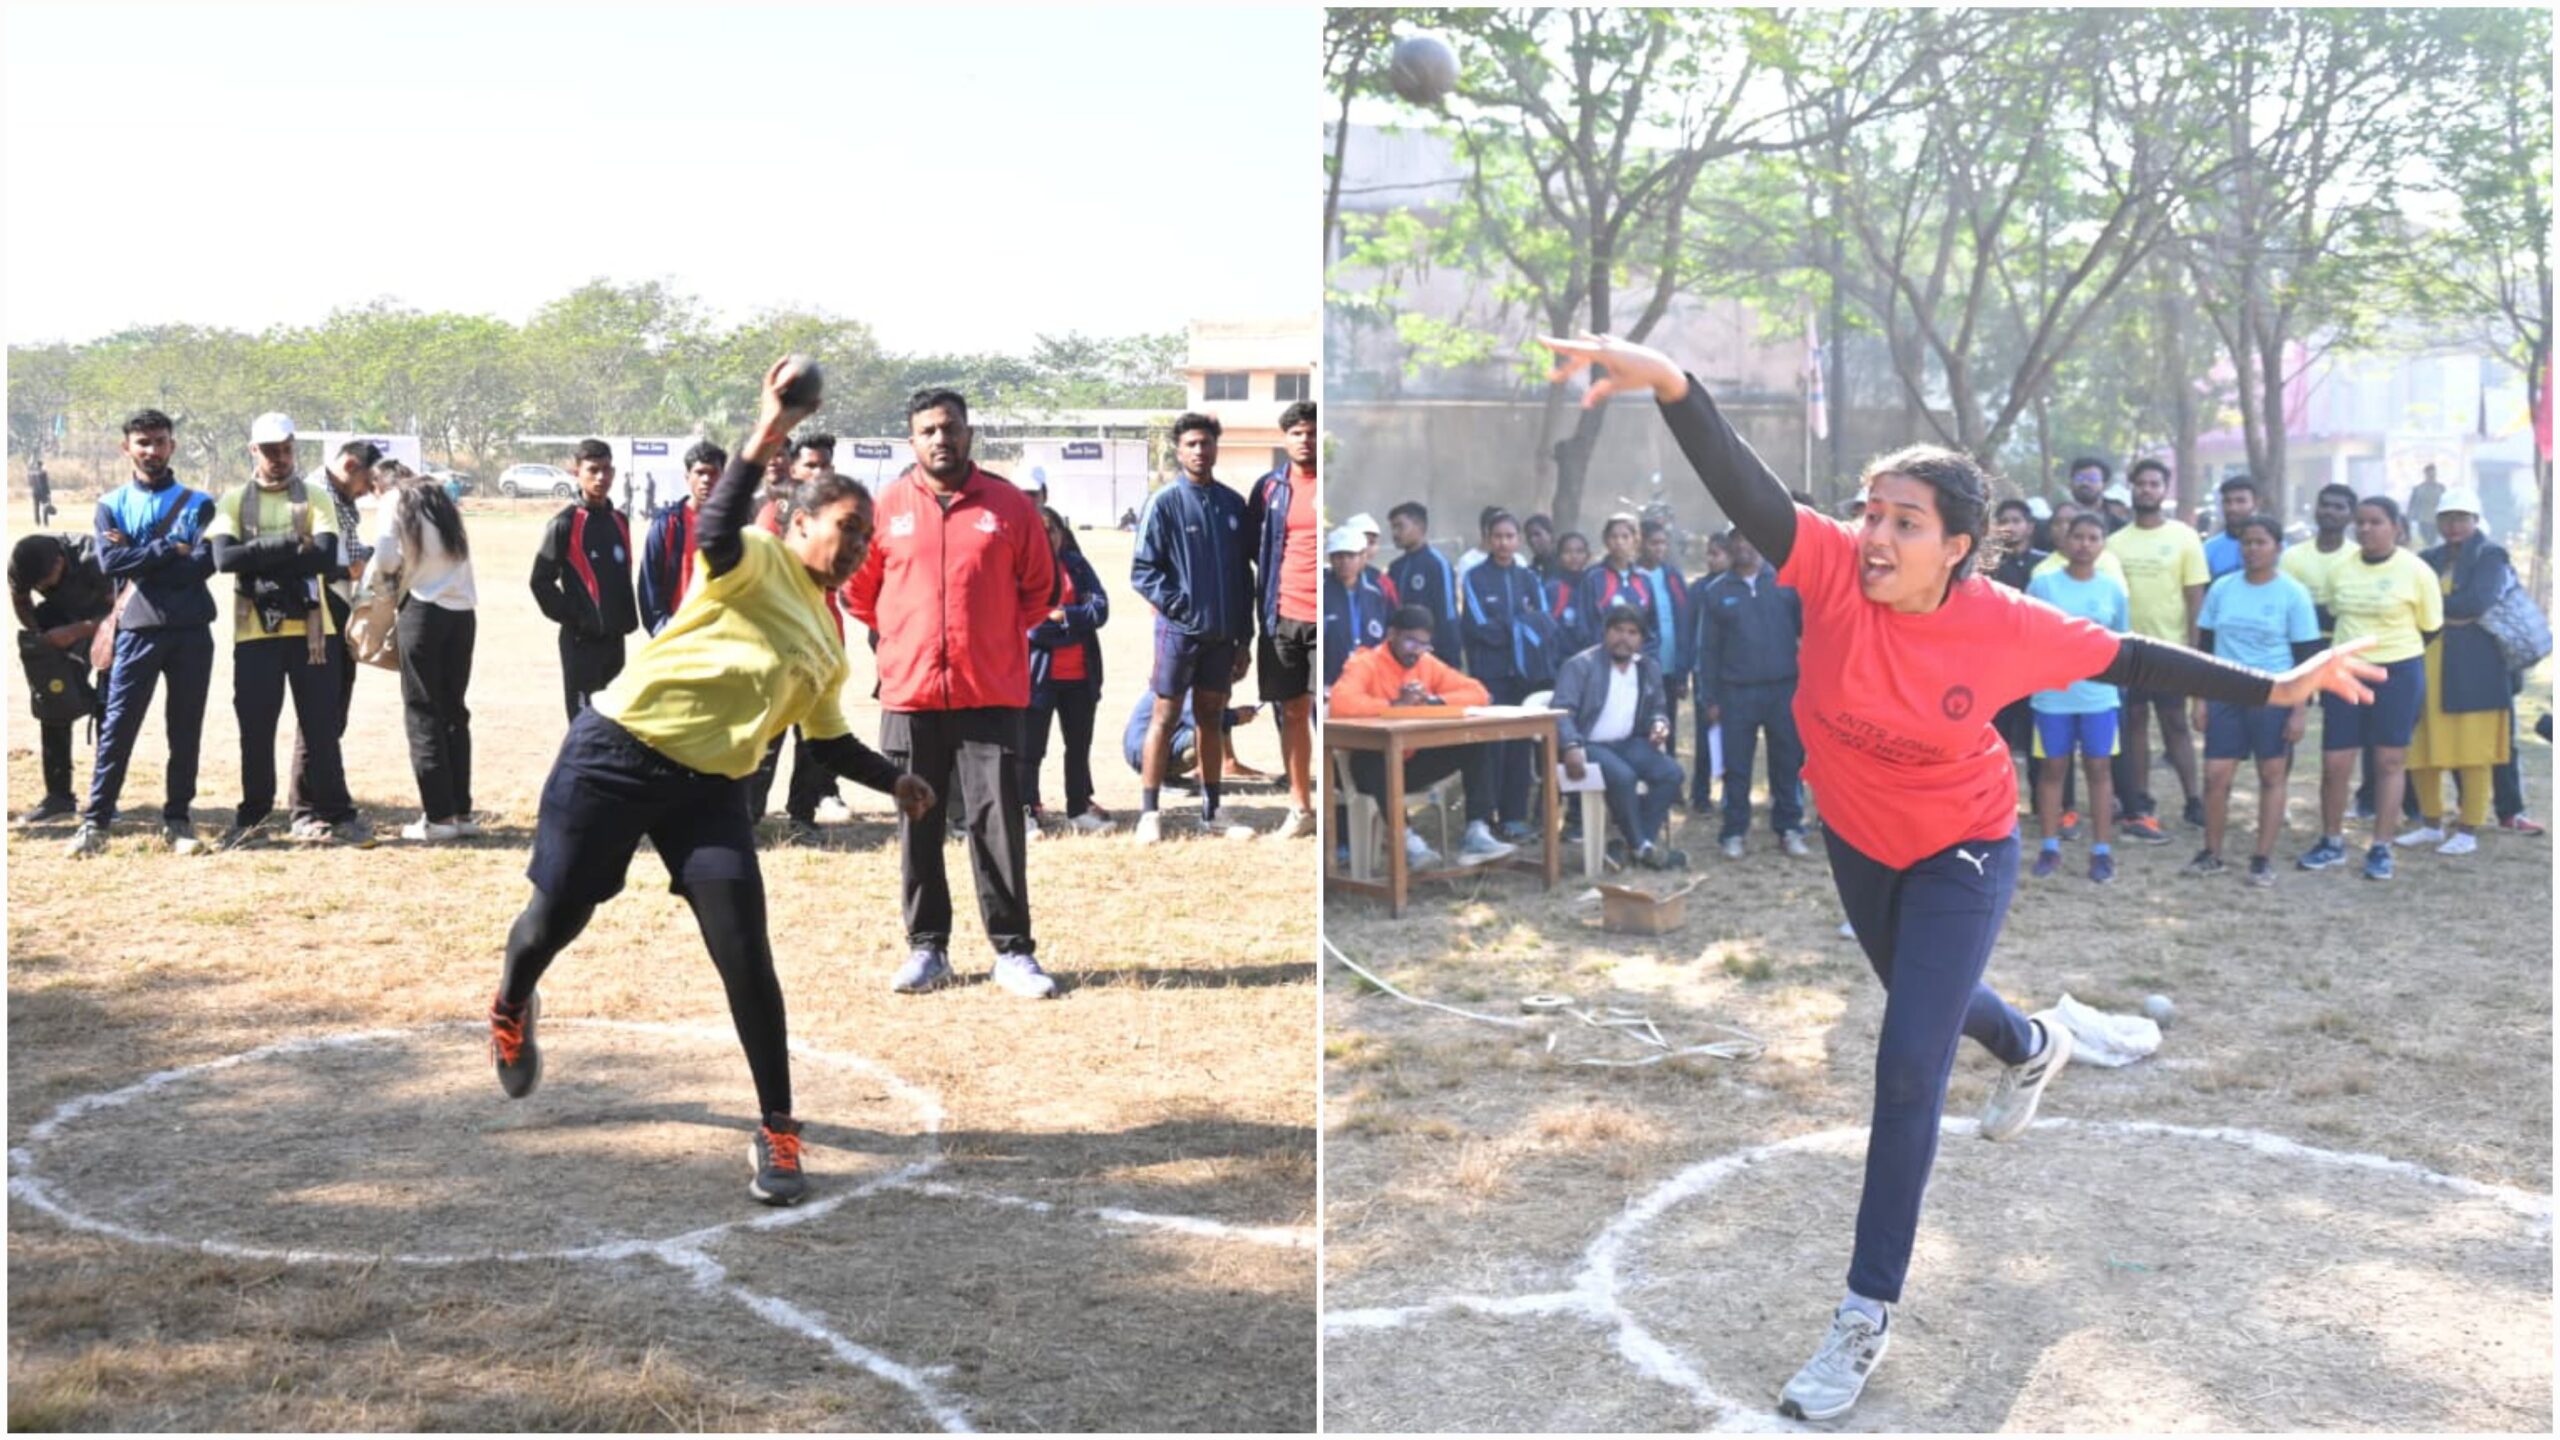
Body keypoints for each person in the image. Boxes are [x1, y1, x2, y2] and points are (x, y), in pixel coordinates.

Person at [1539, 333, 2382, 1424]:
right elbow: (1743, 486)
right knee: (1927, 1003)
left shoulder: (2005, 625)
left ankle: (1863, 1313)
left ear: (1958, 549)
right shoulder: (1829, 566)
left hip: (1964, 846)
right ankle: (2034, 1043)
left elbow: (2131, 660)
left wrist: (2274, 688)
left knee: (1907, 1062)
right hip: (1858, 839)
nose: (1875, 535)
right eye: (1871, 513)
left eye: (1904, 523)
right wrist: (1671, 385)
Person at [490, 357, 929, 1207]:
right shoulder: (753, 558)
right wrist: (768, 429)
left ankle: (778, 1129)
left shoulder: (829, 642)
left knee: (745, 955)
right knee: (558, 915)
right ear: (799, 523)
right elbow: (718, 525)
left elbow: (828, 740)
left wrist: (895, 781)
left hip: (709, 792)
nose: (858, 546)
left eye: (868, 536)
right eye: (847, 527)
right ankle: (511, 1003)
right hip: (616, 755)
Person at [843, 387, 1057, 999]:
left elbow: (1040, 589)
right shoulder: (885, 508)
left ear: (969, 434)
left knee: (997, 825)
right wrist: (906, 639)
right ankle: (927, 948)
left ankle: (1012, 952)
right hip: (910, 693)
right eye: (929, 430)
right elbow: (858, 591)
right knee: (919, 822)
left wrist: (987, 638)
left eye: (951, 427)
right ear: (911, 440)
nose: (941, 438)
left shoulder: (1009, 506)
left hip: (989, 691)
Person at [205, 413, 372, 850]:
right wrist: (292, 546)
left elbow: (325, 556)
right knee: (256, 731)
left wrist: (256, 554)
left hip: (314, 633)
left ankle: (335, 814)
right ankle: (253, 818)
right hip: (255, 635)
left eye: (285, 449)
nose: (279, 458)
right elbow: (224, 560)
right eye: (269, 450)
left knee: (321, 729)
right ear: (253, 451)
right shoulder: (234, 500)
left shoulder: (316, 496)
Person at [70, 410, 220, 858]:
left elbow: (201, 566)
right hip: (136, 629)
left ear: (173, 445)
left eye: (160, 441)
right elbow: (110, 563)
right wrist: (169, 548)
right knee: (117, 726)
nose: (152, 450)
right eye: (143, 442)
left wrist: (140, 553)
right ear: (127, 448)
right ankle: (96, 821)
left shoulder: (200, 503)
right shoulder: (110, 504)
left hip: (191, 631)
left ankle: (178, 820)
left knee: (185, 729)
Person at [2298, 495, 2440, 880]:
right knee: (2335, 763)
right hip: (2345, 671)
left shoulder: (2416, 571)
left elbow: (2430, 628)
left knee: (2389, 762)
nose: (2365, 529)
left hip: (2398, 673)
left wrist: (2390, 655)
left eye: (2376, 522)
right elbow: (2332, 614)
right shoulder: (2341, 568)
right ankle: (2331, 842)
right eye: (2360, 522)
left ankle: (2381, 847)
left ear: (2397, 527)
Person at [1131, 411, 1256, 845]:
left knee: (1210, 718)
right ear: (1179, 451)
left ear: (1217, 448)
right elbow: (1143, 571)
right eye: (1192, 444)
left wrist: (1244, 637)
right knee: (1165, 716)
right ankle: (1150, 813)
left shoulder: (1233, 504)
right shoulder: (1164, 502)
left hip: (1223, 637)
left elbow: (1244, 578)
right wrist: (1182, 609)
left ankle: (1212, 810)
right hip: (1179, 634)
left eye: (1206, 443)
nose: (1200, 451)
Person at [1328, 606, 1517, 869]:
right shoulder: (1366, 663)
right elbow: (1340, 704)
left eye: (1424, 644)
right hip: (1365, 768)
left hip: (1410, 760)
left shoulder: (1426, 663)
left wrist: (1434, 700)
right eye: (1410, 642)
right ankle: (1408, 842)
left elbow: (1478, 693)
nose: (1416, 650)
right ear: (1392, 635)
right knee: (1377, 758)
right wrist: (1394, 705)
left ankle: (1477, 830)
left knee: (1476, 742)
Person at [2189, 515, 2320, 883]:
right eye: (2246, 542)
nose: (2252, 549)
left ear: (2278, 548)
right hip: (2225, 692)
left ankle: (2262, 858)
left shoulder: (2292, 593)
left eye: (2261, 542)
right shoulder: (2222, 589)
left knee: (2271, 774)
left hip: (2273, 694)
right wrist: (2199, 700)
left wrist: (2298, 711)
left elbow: (2307, 659)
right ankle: (2211, 853)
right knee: (2215, 776)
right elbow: (2205, 650)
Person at [364, 463, 481, 842]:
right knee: (454, 711)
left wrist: (390, 579)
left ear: (380, 483)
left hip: (423, 608)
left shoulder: (394, 498)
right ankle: (461, 811)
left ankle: (438, 817)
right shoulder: (440, 497)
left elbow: (385, 558)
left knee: (422, 711)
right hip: (462, 612)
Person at [2399, 489, 2513, 859]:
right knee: (2421, 746)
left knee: (2473, 750)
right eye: (2447, 518)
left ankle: (2468, 828)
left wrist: (2434, 609)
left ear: (2475, 521)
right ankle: (2431, 823)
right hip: (2427, 660)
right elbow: (2411, 601)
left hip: (2476, 667)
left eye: (2462, 518)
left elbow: (2476, 602)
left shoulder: (2490, 555)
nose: (2454, 525)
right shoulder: (2427, 558)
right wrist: (2449, 613)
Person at [2104, 457, 2207, 839]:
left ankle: (2193, 799)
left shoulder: (2185, 537)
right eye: (2141, 483)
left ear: (2165, 490)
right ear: (2131, 488)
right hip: (2128, 652)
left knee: (2175, 723)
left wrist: (2195, 651)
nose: (2147, 489)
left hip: (2171, 650)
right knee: (2134, 724)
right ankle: (2140, 798)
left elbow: (2195, 597)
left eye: (2154, 484)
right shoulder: (2114, 543)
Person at [2025, 513, 2128, 882]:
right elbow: (2028, 635)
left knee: (2099, 769)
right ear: (2064, 540)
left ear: (2103, 544)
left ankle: (2101, 851)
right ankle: (2049, 846)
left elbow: (2121, 643)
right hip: (2052, 696)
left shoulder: (2113, 589)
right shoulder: (2042, 585)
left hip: (2098, 697)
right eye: (2078, 536)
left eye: (2093, 537)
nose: (2085, 544)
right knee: (2053, 769)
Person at [1693, 529, 1805, 860]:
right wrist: (1709, 698)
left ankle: (1790, 828)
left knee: (1787, 762)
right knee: (1737, 766)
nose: (1745, 545)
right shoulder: (1717, 591)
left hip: (1784, 689)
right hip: (1736, 693)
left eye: (1750, 538)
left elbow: (1808, 633)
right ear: (1730, 547)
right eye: (1737, 540)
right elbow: (1707, 650)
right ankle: (1734, 832)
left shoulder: (1786, 583)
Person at [1553, 604, 1686, 869]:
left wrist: (1659, 724)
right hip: (1588, 743)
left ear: (1641, 639)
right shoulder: (1581, 665)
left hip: (1629, 743)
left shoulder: (1648, 668)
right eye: (1618, 630)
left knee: (1671, 773)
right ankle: (1641, 846)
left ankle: (1635, 844)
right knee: (1623, 776)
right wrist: (1571, 745)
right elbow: (1561, 711)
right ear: (1606, 632)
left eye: (1632, 632)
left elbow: (1658, 709)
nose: (1624, 638)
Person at [1247, 399, 1321, 839]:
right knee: (1292, 711)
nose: (1305, 440)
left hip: (1325, 619)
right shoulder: (1269, 488)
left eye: (1311, 433)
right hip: (1283, 616)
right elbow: (1253, 548)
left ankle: (1338, 807)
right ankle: (1301, 806)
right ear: (1285, 439)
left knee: (1328, 713)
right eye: (1297, 433)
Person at [1459, 509, 1556, 843]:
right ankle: (1486, 817)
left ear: (1518, 540)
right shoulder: (1475, 578)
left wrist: (1513, 627)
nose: (1503, 542)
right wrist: (1519, 626)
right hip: (1491, 674)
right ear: (1488, 538)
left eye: (1510, 536)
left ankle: (1514, 816)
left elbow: (1543, 623)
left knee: (1519, 745)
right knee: (1491, 747)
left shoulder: (1529, 578)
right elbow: (1479, 628)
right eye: (1497, 536)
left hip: (1525, 676)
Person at [529, 439, 637, 722]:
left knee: (614, 725)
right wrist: (578, 618)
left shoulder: (619, 520)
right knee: (584, 726)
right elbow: (540, 581)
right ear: (577, 472)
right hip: (582, 645)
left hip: (615, 642)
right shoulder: (565, 523)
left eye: (606, 469)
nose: (601, 477)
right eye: (593, 470)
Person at [9, 532, 112, 824]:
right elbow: (22, 602)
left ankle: (106, 798)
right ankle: (58, 797)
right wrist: (42, 637)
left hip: (107, 625)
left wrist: (76, 632)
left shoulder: (95, 560)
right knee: (53, 702)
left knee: (108, 707)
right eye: (36, 585)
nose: (41, 588)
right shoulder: (22, 565)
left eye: (45, 581)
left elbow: (123, 610)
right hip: (58, 618)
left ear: (60, 561)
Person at [1025, 505, 1109, 834]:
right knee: (1031, 749)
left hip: (1080, 676)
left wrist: (1064, 616)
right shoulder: (1021, 569)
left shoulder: (1076, 565)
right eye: (1040, 530)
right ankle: (1027, 809)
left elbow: (1100, 609)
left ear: (1062, 534)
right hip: (1038, 677)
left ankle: (1078, 808)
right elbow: (1033, 627)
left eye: (1053, 530)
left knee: (1078, 746)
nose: (1047, 536)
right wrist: (1075, 624)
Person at [1986, 498, 2049, 771]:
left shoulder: (2045, 565)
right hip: (1996, 661)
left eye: (2016, 521)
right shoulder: (1986, 566)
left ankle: (2045, 791)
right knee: (1998, 732)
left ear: (2030, 526)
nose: (2010, 527)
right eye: (2004, 521)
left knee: (2037, 734)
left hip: (2037, 660)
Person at [639, 442, 724, 635]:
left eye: (713, 473)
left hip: (721, 636)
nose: (706, 480)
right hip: (679, 634)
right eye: (700, 473)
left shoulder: (736, 526)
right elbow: (649, 583)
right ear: (687, 477)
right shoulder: (666, 524)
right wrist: (663, 630)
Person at [1636, 519, 1692, 762]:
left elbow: (1684, 620)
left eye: (1663, 543)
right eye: (1653, 543)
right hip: (1642, 664)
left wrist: (1682, 672)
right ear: (1640, 544)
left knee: (1668, 720)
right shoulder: (1633, 576)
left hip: (1670, 664)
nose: (1659, 548)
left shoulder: (1672, 576)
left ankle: (1668, 767)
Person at [1385, 501, 1461, 663]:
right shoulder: (1395, 567)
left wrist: (1447, 657)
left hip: (1431, 654)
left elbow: (1447, 614)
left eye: (1400, 526)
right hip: (1399, 654)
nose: (1395, 533)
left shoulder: (1437, 564)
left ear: (1419, 526)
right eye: (1393, 528)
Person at [1575, 513, 1657, 665]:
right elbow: (1584, 624)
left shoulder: (1644, 579)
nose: (1619, 542)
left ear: (1635, 540)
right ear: (1606, 540)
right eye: (1614, 537)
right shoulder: (1594, 577)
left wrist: (1645, 658)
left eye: (1625, 537)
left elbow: (1652, 625)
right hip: (1601, 661)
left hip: (1637, 663)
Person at [1121, 687, 1253, 779]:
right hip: (1143, 753)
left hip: (1143, 748)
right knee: (1206, 733)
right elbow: (1198, 718)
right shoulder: (1191, 683)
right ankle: (1160, 777)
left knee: (1211, 725)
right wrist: (1234, 717)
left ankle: (1166, 775)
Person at [1322, 524, 1388, 692]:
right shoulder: (1319, 591)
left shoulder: (1377, 592)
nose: (1344, 562)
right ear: (1330, 558)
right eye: (1338, 556)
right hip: (1329, 685)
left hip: (1370, 684)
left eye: (1350, 556)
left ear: (1363, 556)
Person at [2199, 474, 2265, 580]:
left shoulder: (2272, 548)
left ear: (2256, 503)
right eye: (2227, 501)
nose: (2233, 508)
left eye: (2240, 501)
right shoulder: (2208, 549)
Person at [1545, 530, 1595, 660]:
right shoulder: (1552, 589)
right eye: (1567, 552)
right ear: (1559, 556)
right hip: (1561, 659)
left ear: (1588, 556)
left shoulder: (1593, 584)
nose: (1574, 556)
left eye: (1579, 551)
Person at [2407, 462, 2445, 548]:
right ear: (2425, 474)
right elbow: (2412, 505)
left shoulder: (2441, 488)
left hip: (2437, 520)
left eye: (2433, 474)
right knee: (2424, 542)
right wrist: (2409, 520)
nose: (2432, 476)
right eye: (2429, 474)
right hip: (2423, 520)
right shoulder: (2418, 489)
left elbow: (2445, 504)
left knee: (2434, 543)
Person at [1523, 512, 1560, 583]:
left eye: (1537, 534)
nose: (1532, 540)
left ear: (1550, 535)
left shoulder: (1566, 565)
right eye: (1529, 536)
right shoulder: (1530, 571)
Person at [30, 458, 53, 526]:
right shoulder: (44, 473)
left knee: (36, 508)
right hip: (43, 493)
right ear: (41, 465)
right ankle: (46, 522)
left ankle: (37, 522)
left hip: (35, 492)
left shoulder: (33, 474)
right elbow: (46, 483)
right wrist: (48, 493)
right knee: (45, 508)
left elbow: (31, 483)